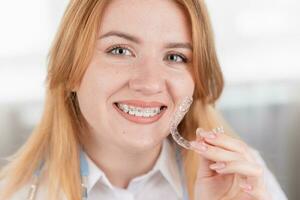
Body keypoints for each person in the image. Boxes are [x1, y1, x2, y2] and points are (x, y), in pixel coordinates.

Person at [0, 0, 288, 199]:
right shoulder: (15, 193)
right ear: (72, 68)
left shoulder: (245, 182)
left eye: (175, 57)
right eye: (120, 51)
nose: (149, 83)